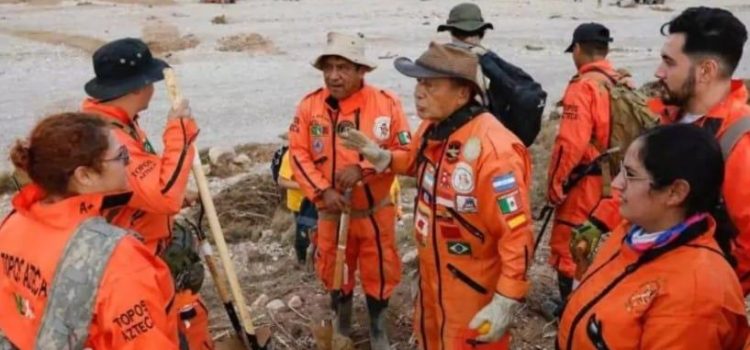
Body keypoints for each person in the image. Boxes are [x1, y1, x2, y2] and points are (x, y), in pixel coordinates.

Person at [341, 42, 534, 350]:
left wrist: (506, 299)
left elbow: (517, 235)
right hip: (433, 275)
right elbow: (415, 162)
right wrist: (380, 156)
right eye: (418, 82)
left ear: (462, 93)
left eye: (430, 84)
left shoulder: (495, 152)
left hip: (473, 287)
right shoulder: (435, 128)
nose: (419, 92)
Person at [570, 7, 750, 293]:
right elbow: (634, 179)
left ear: (705, 71)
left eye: (669, 62)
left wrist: (711, 295)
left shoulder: (739, 143)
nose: (658, 71)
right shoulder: (668, 117)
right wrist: (599, 221)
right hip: (641, 273)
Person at [558, 124, 749, 349]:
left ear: (674, 192)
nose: (617, 184)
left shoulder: (696, 295)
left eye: (630, 174)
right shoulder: (633, 232)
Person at [0, 113, 179, 349]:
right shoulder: (118, 258)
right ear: (85, 175)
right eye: (121, 155)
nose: (128, 163)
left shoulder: (13, 223)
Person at [81, 38, 210, 349]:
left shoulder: (117, 124)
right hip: (131, 266)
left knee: (187, 318)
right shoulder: (110, 138)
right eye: (151, 81)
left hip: (141, 247)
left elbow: (142, 185)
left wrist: (178, 191)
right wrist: (179, 129)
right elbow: (163, 195)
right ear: (139, 87)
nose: (154, 87)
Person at [287, 32, 410, 349]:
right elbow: (298, 155)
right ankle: (341, 326)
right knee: (333, 270)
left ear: (361, 71)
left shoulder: (386, 104)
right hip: (331, 210)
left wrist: (365, 168)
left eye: (342, 67)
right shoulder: (310, 106)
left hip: (374, 211)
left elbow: (404, 153)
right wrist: (322, 191)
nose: (333, 75)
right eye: (328, 67)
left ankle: (378, 328)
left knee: (379, 272)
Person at [546, 22, 620, 300]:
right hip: (614, 178)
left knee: (569, 245)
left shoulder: (583, 87)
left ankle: (571, 307)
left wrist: (555, 183)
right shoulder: (618, 81)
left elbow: (570, 143)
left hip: (585, 181)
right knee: (593, 239)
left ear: (577, 49)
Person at [277, 137, 317, 265]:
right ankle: (302, 263)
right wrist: (304, 185)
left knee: (319, 234)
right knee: (303, 235)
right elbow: (281, 181)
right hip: (299, 204)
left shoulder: (319, 151)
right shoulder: (291, 155)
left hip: (318, 201)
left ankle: (317, 263)